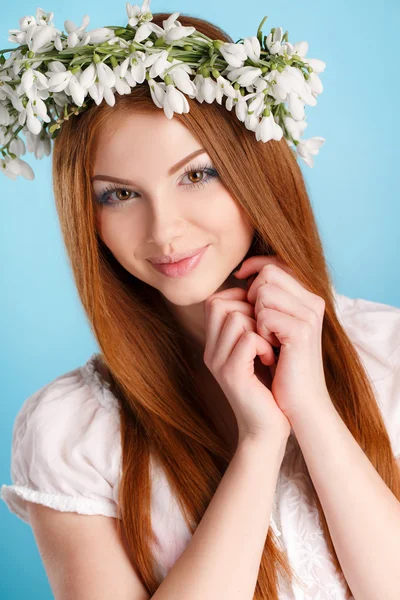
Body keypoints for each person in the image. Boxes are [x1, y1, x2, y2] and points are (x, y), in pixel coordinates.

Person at [1, 4, 400, 600]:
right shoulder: (74, 431)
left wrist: (312, 410)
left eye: (196, 175)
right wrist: (259, 443)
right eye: (119, 194)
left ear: (253, 170)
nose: (164, 230)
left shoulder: (389, 352)